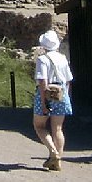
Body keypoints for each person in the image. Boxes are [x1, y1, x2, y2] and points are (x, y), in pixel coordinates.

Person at [32, 29, 73, 171]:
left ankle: (53, 152)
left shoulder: (42, 59)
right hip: (61, 93)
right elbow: (68, 80)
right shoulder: (63, 58)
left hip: (46, 94)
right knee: (58, 128)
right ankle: (57, 160)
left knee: (39, 126)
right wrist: (66, 97)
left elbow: (43, 81)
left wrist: (43, 102)